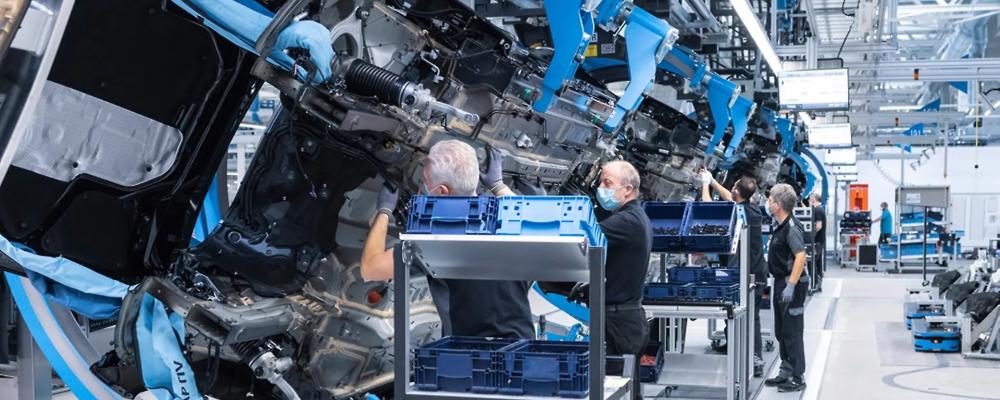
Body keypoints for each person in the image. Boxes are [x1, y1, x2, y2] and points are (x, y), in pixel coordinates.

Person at [360, 140, 534, 339]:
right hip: (525, 351)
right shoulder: (508, 219)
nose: (421, 187)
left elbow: (370, 268)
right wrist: (498, 186)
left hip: (473, 358)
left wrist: (384, 210)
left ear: (443, 191)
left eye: (424, 181)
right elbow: (534, 218)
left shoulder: (436, 238)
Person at [700, 169, 767, 377]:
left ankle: (754, 358)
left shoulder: (736, 211)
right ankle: (740, 349)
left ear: (737, 191)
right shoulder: (752, 209)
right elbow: (731, 198)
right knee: (747, 315)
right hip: (756, 271)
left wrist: (704, 185)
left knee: (749, 317)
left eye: (734, 185)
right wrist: (712, 181)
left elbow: (707, 208)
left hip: (746, 274)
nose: (731, 188)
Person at [596, 160, 653, 400]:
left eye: (607, 183)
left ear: (628, 190)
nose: (600, 188)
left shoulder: (626, 222)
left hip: (619, 324)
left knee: (616, 392)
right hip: (627, 320)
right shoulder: (636, 216)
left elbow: (582, 237)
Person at [763, 184, 808, 392]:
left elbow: (801, 256)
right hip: (781, 281)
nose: (768, 203)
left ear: (778, 205)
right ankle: (785, 371)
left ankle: (798, 377)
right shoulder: (780, 225)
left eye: (770, 200)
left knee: (792, 332)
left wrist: (790, 285)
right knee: (781, 330)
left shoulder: (791, 227)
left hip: (792, 284)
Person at [809, 193, 826, 290]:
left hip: (817, 242)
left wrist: (810, 236)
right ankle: (818, 284)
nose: (809, 199)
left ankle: (815, 284)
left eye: (811, 197)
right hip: (820, 241)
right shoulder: (820, 209)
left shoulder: (817, 210)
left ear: (814, 199)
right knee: (818, 263)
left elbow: (818, 226)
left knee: (812, 263)